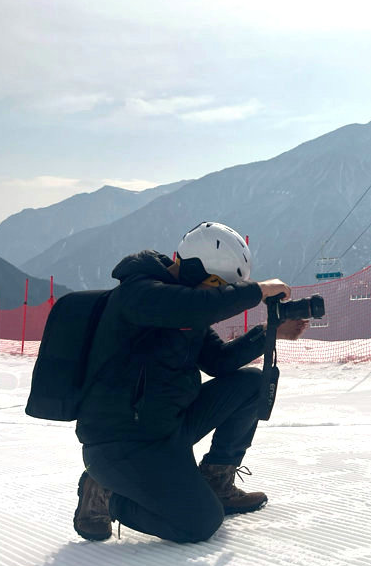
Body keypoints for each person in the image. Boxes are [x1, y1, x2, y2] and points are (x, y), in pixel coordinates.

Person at [71, 221, 308, 543]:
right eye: (218, 285)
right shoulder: (140, 294)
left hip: (170, 427)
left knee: (251, 383)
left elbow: (218, 361)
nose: (219, 293)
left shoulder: (185, 310)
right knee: (198, 524)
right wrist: (258, 290)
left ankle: (217, 482)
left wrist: (269, 333)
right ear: (197, 271)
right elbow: (193, 305)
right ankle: (106, 495)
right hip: (123, 442)